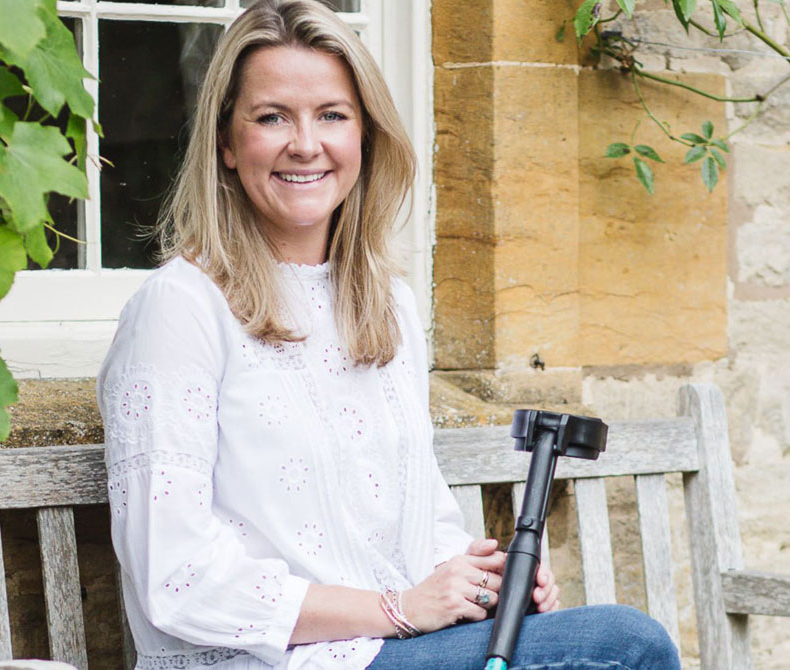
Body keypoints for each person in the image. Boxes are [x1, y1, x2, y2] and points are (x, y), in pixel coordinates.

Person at [97, 1, 681, 669]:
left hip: (394, 647)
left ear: (366, 137)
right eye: (271, 117)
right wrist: (399, 608)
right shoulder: (180, 309)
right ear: (226, 145)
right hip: (270, 661)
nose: (306, 143)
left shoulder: (386, 306)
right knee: (628, 649)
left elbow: (422, 527)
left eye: (332, 115)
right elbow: (175, 578)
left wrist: (480, 581)